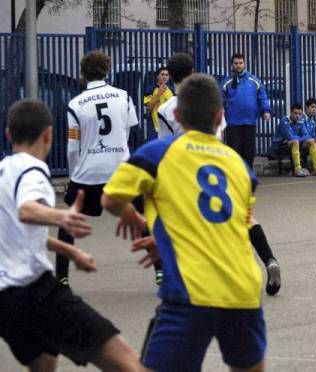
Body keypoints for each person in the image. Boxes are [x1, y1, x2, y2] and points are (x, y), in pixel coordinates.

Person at [101, 73, 267, 372]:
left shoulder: (157, 154)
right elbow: (232, 223)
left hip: (191, 292)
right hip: (243, 289)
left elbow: (110, 199)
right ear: (220, 117)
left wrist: (136, 219)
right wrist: (168, 237)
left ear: (176, 115)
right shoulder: (240, 166)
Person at [0, 99, 143, 372]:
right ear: (48, 134)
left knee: (44, 362)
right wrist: (60, 216)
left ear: (9, 134)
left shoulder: (4, 171)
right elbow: (26, 210)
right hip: (33, 290)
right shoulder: (33, 169)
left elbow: (18, 233)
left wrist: (71, 250)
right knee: (128, 362)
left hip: (6, 301)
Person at [158, 53, 281, 296]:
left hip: (189, 171)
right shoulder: (212, 102)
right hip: (221, 165)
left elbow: (165, 145)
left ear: (170, 76)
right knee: (245, 217)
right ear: (193, 70)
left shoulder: (167, 108)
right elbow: (222, 137)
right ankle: (269, 259)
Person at [55, 50, 165, 286]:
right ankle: (160, 270)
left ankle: (61, 277)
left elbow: (73, 147)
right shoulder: (124, 97)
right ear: (106, 70)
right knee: (142, 217)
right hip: (120, 169)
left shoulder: (75, 104)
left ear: (83, 74)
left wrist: (74, 176)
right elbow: (129, 129)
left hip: (89, 172)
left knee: (69, 220)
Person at [221, 53, 271, 168]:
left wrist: (266, 111)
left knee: (249, 151)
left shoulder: (254, 80)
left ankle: (248, 173)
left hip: (250, 121)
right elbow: (220, 99)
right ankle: (235, 173)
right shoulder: (226, 82)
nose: (238, 65)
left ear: (244, 64)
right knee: (234, 150)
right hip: (233, 122)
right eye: (236, 63)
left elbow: (262, 96)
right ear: (232, 65)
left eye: (240, 63)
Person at [272, 103, 316, 176]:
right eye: (295, 113)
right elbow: (290, 137)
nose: (297, 116)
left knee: (311, 141)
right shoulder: (284, 121)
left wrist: (299, 138)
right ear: (291, 113)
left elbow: (307, 135)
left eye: (299, 114)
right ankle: (297, 169)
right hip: (279, 146)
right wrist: (300, 138)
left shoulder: (301, 121)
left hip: (293, 143)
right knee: (296, 141)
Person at [144, 67, 174, 139]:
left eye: (167, 75)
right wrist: (159, 93)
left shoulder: (172, 90)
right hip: (155, 127)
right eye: (162, 74)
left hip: (168, 125)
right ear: (157, 76)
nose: (165, 77)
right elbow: (149, 107)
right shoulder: (150, 89)